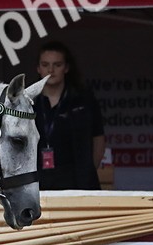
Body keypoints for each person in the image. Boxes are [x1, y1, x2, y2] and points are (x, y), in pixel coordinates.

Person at [33, 41, 105, 190]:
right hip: (37, 182)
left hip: (78, 182)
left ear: (66, 68)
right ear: (38, 68)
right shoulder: (28, 102)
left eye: (57, 65)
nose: (51, 70)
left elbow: (98, 138)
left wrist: (88, 171)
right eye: (45, 65)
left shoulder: (84, 100)